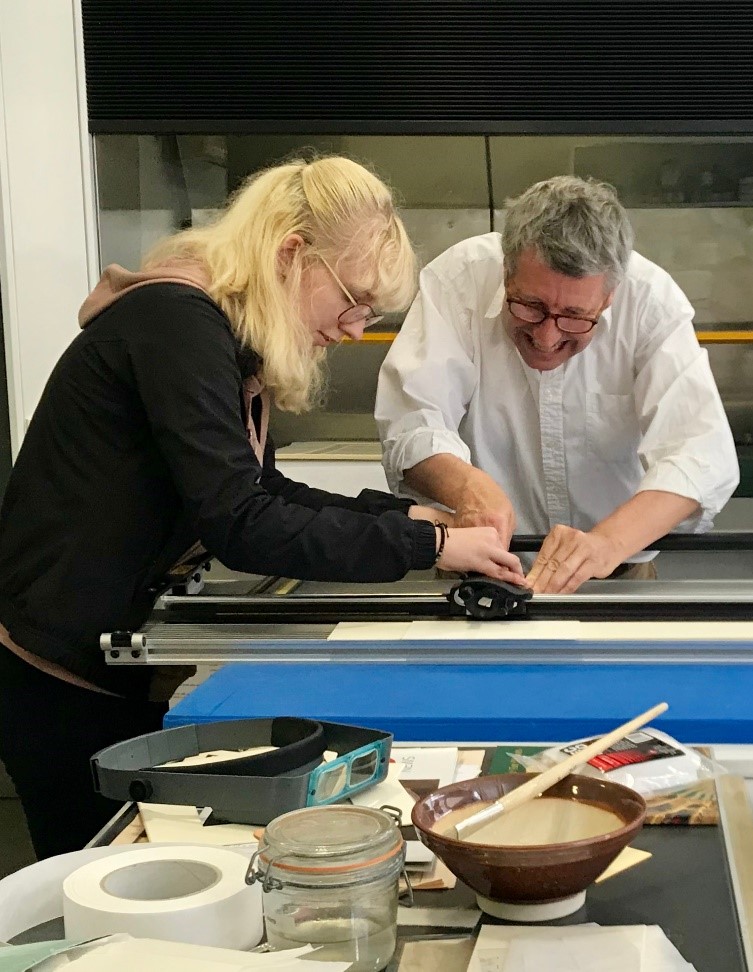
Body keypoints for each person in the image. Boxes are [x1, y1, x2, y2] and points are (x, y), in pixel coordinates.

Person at [0, 156, 526, 859]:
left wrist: (406, 520)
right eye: (353, 300)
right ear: (290, 255)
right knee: (92, 885)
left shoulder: (216, 334)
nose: (351, 330)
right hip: (58, 679)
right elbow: (241, 524)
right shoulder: (176, 323)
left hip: (111, 659)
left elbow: (263, 490)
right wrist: (427, 550)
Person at [376, 175, 739, 595]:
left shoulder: (650, 301)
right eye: (529, 307)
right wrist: (468, 487)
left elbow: (699, 455)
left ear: (610, 297)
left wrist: (606, 544)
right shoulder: (458, 281)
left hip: (613, 577)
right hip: (480, 575)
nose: (547, 339)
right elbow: (412, 423)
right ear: (506, 268)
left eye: (574, 317)